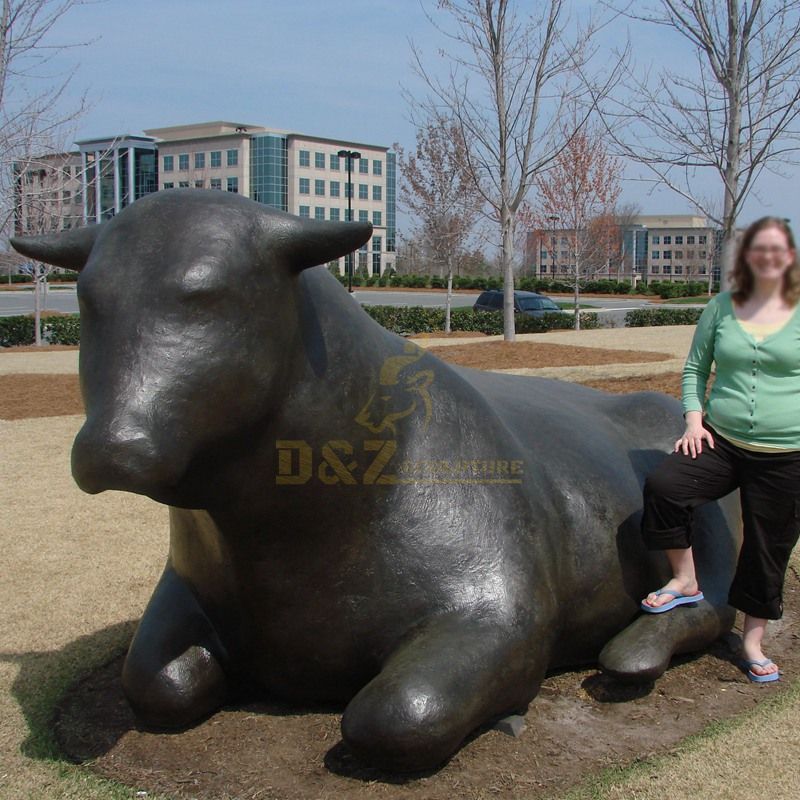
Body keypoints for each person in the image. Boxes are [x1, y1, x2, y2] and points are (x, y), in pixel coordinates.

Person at [640, 216, 800, 683]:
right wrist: (693, 419)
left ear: (788, 257)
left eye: (777, 249)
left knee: (767, 547)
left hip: (786, 452)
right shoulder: (721, 307)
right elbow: (694, 369)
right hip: (722, 440)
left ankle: (751, 641)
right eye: (758, 248)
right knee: (665, 486)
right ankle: (686, 580)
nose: (767, 257)